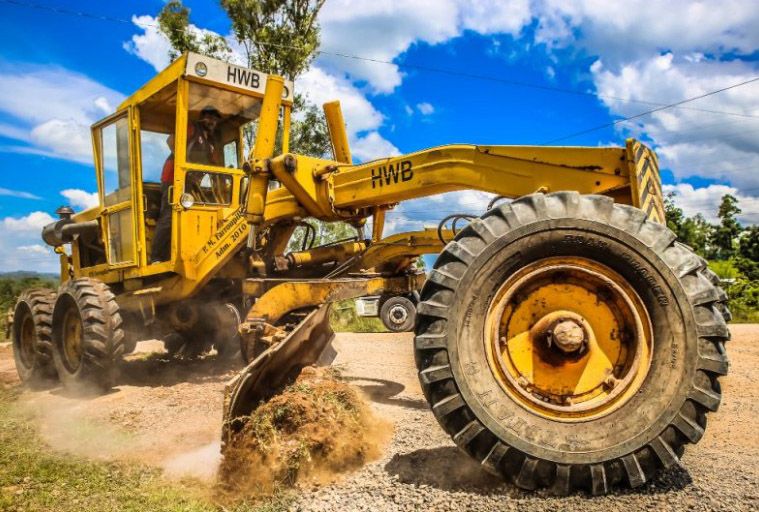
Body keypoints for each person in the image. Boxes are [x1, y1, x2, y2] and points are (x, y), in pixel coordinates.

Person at [150, 106, 223, 263]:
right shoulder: (192, 128)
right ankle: (156, 257)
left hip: (189, 183)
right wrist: (184, 163)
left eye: (215, 119)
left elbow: (214, 165)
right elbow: (171, 141)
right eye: (209, 118)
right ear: (203, 118)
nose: (212, 122)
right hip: (173, 179)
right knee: (170, 216)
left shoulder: (209, 143)